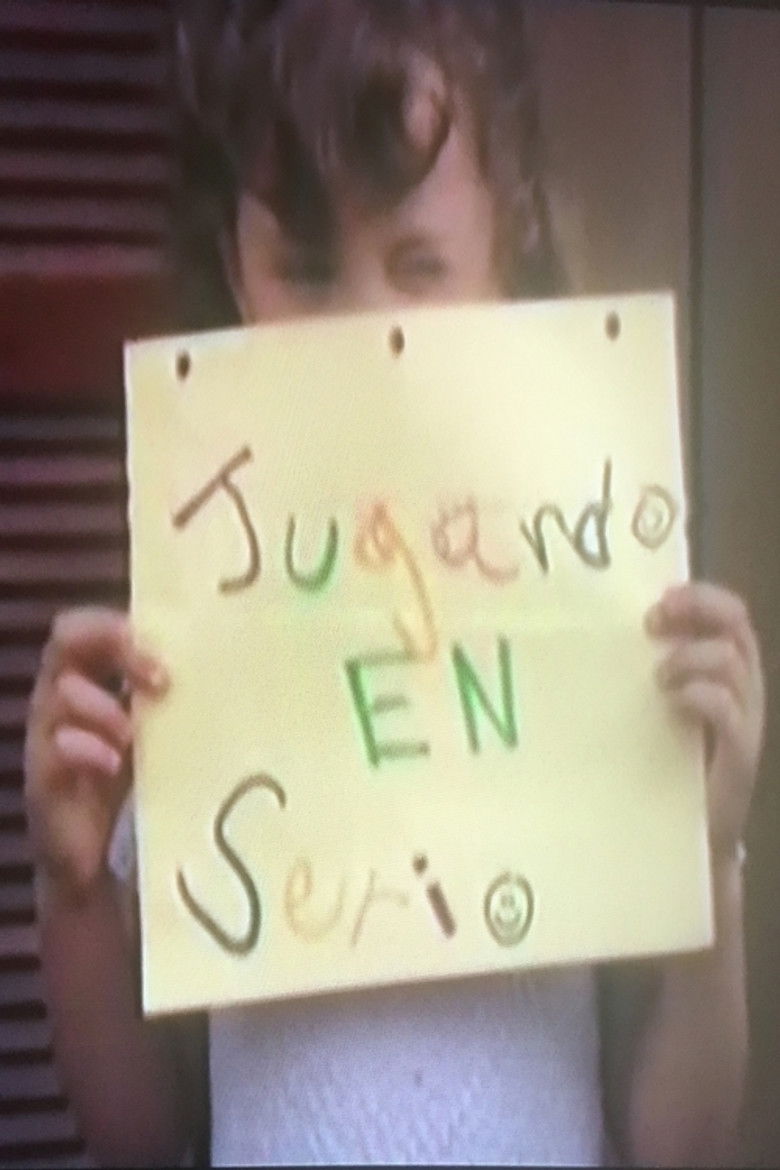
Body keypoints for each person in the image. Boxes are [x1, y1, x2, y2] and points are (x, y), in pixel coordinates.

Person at [23, 1, 765, 1165]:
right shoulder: (199, 637)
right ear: (237, 271)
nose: (363, 331)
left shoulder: (595, 617)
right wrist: (71, 894)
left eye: (418, 266)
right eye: (308, 270)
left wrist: (708, 867)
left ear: (506, 252)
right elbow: (141, 1136)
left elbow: (680, 1142)